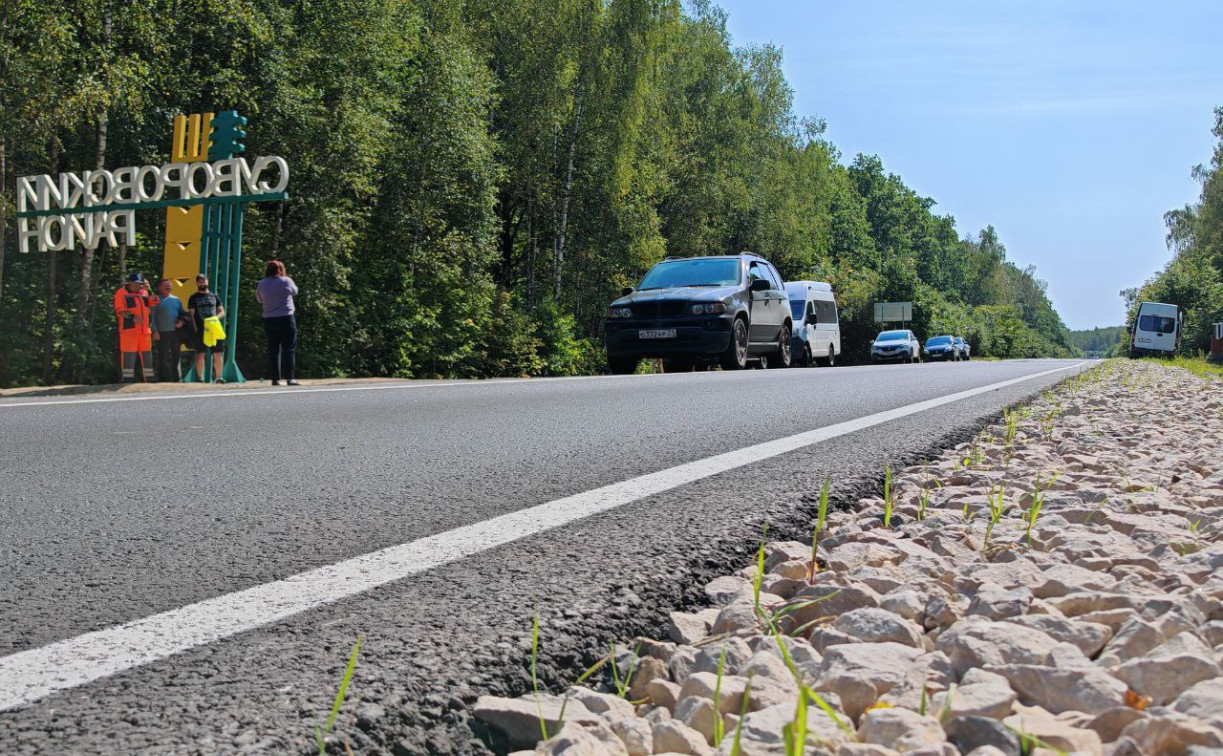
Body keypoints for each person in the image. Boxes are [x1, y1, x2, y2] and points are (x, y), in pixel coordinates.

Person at [255, 259, 299, 386]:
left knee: (273, 349)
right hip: (286, 317)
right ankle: (290, 378)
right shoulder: (286, 281)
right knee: (289, 348)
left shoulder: (262, 283)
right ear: (280, 270)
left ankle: (275, 379)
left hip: (269, 318)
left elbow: (259, 299)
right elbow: (295, 291)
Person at [113, 273, 158, 383]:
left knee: (147, 355)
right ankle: (127, 379)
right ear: (130, 283)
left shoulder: (144, 292)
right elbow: (119, 310)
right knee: (129, 354)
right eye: (137, 284)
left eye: (141, 284)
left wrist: (150, 290)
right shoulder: (121, 293)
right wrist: (132, 317)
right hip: (129, 331)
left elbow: (155, 302)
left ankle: (149, 379)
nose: (139, 287)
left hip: (145, 331)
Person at [188, 274, 226, 382]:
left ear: (207, 282)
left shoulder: (214, 296)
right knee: (201, 354)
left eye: (203, 281)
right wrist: (195, 327)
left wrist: (215, 318)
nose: (202, 283)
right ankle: (200, 378)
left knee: (218, 353)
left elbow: (222, 312)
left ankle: (219, 377)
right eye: (200, 281)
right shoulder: (193, 297)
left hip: (214, 329)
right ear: (196, 283)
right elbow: (191, 314)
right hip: (201, 329)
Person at [150, 278, 187, 382]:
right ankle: (163, 379)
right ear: (159, 287)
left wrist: (182, 321)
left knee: (176, 356)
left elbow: (184, 314)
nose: (168, 286)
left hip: (175, 333)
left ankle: (177, 379)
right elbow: (151, 317)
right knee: (163, 357)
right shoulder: (155, 299)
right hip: (161, 333)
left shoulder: (176, 300)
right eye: (165, 285)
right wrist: (155, 331)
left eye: (169, 285)